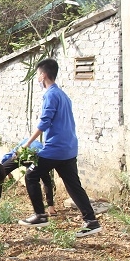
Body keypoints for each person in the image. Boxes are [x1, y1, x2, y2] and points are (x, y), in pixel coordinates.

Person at [18, 58, 102, 237]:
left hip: (55, 148)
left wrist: (27, 143)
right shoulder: (63, 95)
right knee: (73, 185)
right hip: (68, 148)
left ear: (43, 75)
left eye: (38, 75)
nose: (37, 79)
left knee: (31, 174)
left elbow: (44, 122)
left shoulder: (50, 95)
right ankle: (91, 220)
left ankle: (40, 215)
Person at [0, 139, 55, 215]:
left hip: (21, 154)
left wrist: (7, 172)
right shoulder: (41, 146)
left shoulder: (22, 143)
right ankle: (51, 208)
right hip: (36, 156)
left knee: (0, 173)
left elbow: (8, 156)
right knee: (46, 178)